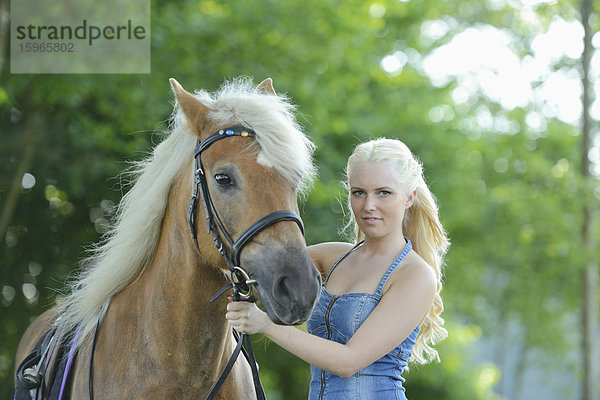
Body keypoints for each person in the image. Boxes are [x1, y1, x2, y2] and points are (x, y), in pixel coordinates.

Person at [226, 138, 449, 399]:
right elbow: (258, 264)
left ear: (409, 197)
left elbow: (349, 362)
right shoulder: (332, 257)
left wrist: (265, 324)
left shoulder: (416, 275)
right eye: (359, 192)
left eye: (383, 193)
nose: (369, 206)